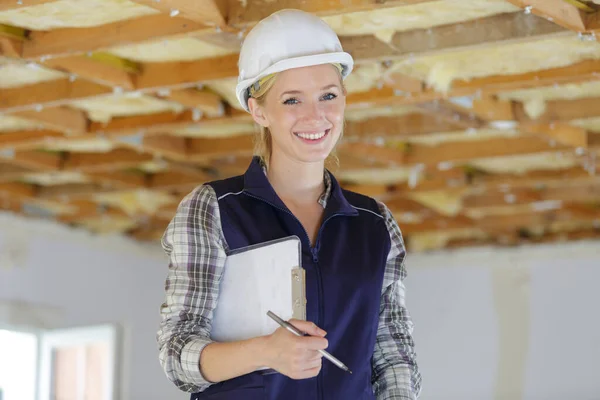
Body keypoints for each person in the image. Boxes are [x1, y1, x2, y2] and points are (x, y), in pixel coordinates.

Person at [157, 8, 422, 400]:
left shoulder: (375, 224)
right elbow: (176, 354)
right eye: (292, 100)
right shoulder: (214, 209)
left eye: (328, 95)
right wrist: (266, 351)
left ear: (344, 99)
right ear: (258, 110)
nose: (316, 116)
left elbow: (393, 351)